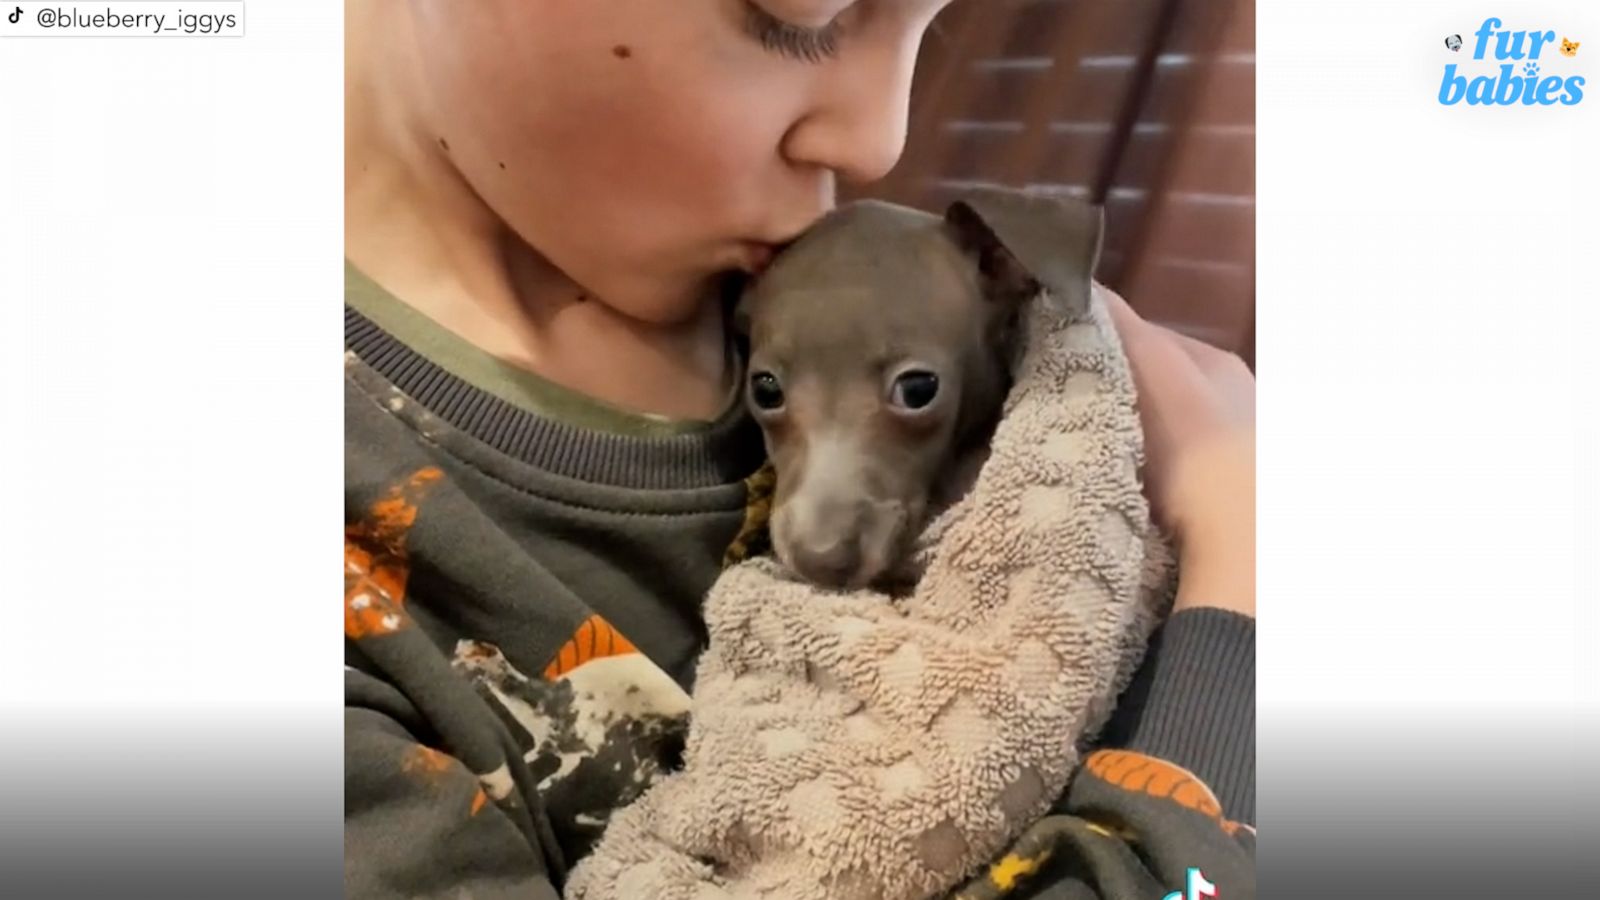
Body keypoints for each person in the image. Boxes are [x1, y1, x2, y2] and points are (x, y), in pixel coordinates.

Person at [342, 1, 1256, 898]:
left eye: (927, 26)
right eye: (797, 21)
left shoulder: (841, 302)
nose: (879, 142)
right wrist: (1244, 595)